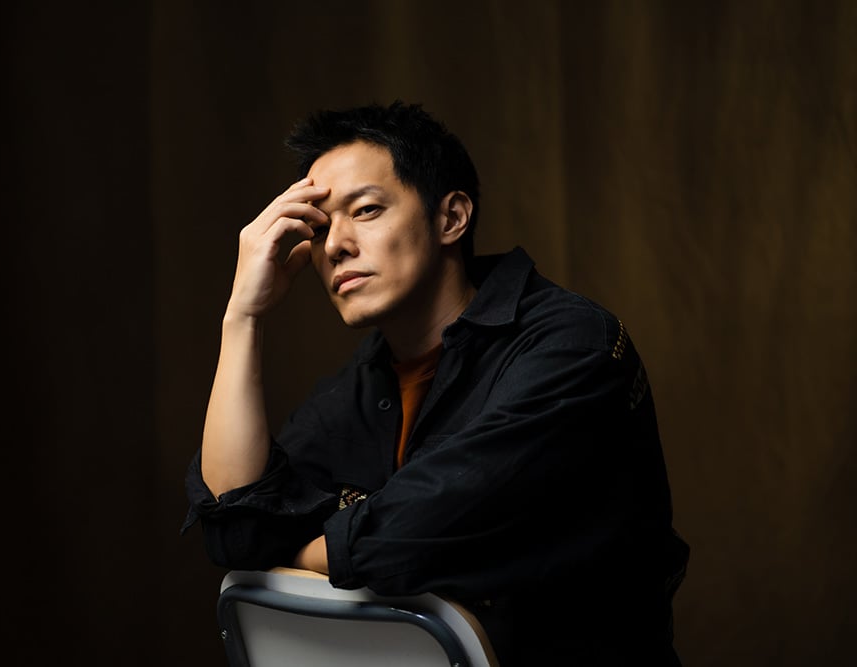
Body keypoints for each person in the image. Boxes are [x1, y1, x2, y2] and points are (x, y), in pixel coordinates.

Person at [181, 101, 689, 665]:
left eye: (366, 210)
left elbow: (404, 537)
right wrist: (242, 318)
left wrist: (293, 552)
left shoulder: (572, 346)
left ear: (451, 218)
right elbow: (234, 528)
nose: (335, 245)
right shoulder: (359, 386)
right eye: (320, 228)